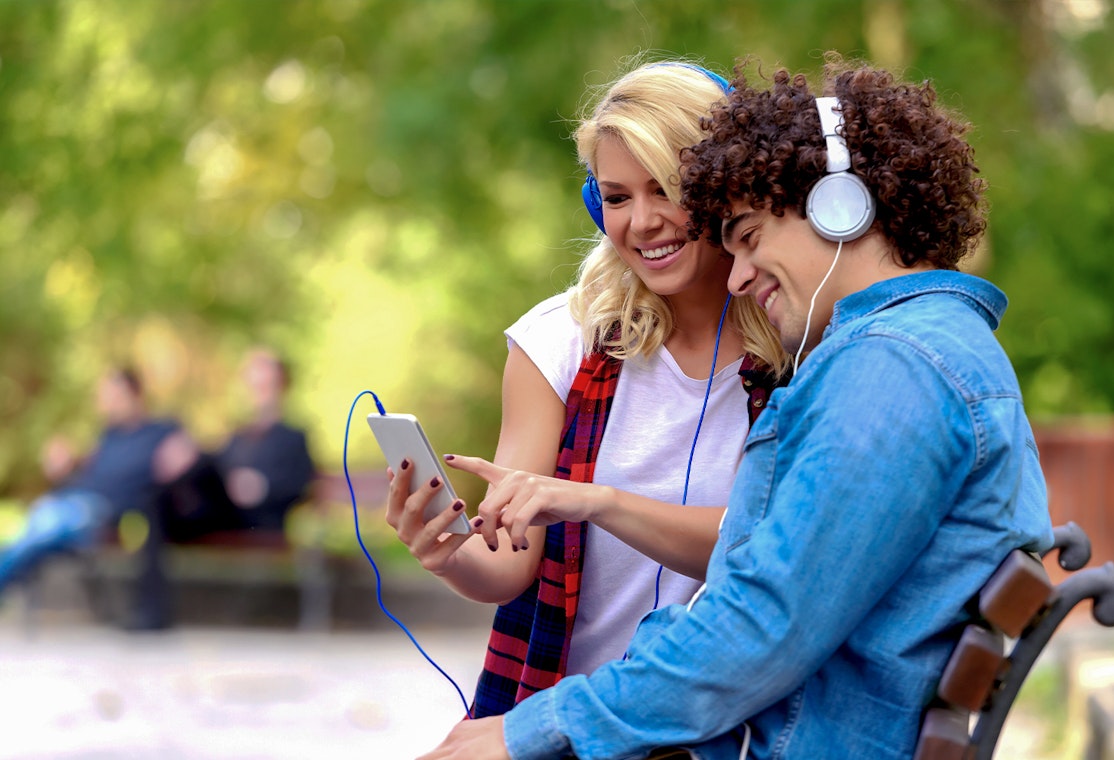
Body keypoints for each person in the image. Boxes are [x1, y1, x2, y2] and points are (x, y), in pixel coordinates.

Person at [419, 54, 1055, 760]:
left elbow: (759, 631)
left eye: (749, 237)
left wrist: (527, 730)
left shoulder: (892, 369)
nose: (742, 275)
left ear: (837, 207)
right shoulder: (903, 355)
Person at [384, 60, 787, 718]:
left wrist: (597, 501)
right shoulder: (559, 341)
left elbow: (775, 543)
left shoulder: (796, 338)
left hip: (731, 715)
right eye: (619, 197)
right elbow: (507, 561)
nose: (643, 221)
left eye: (666, 188)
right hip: (573, 710)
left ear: (728, 187)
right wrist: (450, 551)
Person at [0, 366, 193, 628]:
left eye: (113, 395)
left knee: (33, 538)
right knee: (32, 539)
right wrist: (64, 465)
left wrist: (183, 457)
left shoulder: (162, 432)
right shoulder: (108, 436)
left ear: (134, 394)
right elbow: (86, 472)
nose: (107, 403)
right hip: (73, 506)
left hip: (102, 513)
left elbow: (189, 462)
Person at [164, 347, 316, 539]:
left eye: (266, 385)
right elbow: (215, 472)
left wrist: (262, 488)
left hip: (261, 522)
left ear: (282, 386)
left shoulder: (292, 438)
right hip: (221, 516)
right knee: (178, 478)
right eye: (254, 385)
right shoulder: (236, 437)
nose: (259, 392)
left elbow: (301, 486)